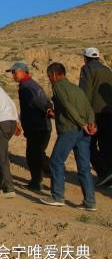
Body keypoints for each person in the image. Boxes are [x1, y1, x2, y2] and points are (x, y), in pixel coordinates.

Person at [41, 62, 97, 211]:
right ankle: (90, 202)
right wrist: (90, 123)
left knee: (55, 161)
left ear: (53, 75)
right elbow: (88, 108)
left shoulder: (58, 86)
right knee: (84, 167)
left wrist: (81, 123)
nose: (50, 79)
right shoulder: (77, 89)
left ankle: (57, 196)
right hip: (83, 133)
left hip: (70, 130)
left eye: (49, 76)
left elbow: (67, 106)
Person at [6, 62, 52, 192]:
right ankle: (42, 179)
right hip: (37, 126)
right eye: (12, 72)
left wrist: (48, 109)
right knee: (37, 154)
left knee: (34, 155)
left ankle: (45, 178)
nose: (13, 75)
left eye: (15, 72)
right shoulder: (28, 85)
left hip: (38, 127)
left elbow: (41, 102)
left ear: (23, 71)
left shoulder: (27, 86)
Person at [78, 47, 112, 187]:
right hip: (109, 113)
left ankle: (103, 173)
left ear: (85, 58)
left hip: (94, 114)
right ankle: (109, 173)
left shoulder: (86, 69)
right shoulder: (107, 70)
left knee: (88, 144)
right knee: (107, 144)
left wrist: (84, 113)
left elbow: (85, 92)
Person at [0, 81, 20, 198]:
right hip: (11, 121)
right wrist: (16, 121)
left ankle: (9, 188)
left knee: (1, 156)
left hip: (0, 123)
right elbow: (12, 103)